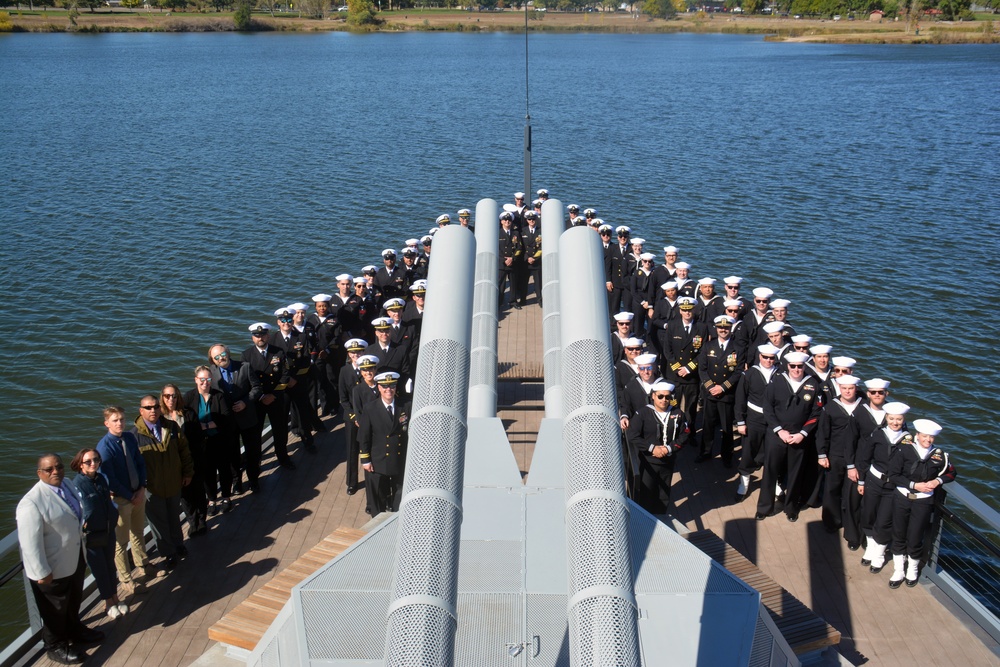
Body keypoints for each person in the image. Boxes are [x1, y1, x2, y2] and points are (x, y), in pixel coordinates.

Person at [17, 453, 103, 665]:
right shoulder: (31, 503)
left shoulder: (67, 484)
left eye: (59, 466)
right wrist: (41, 572)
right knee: (54, 610)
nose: (56, 471)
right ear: (40, 473)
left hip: (74, 558)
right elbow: (29, 543)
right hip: (51, 569)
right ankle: (55, 646)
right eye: (49, 469)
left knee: (73, 601)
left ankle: (75, 631)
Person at [886, 418, 956, 588]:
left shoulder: (940, 457)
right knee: (899, 533)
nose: (927, 440)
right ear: (917, 435)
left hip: (923, 502)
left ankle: (912, 569)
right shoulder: (904, 450)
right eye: (924, 436)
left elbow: (952, 473)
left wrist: (937, 481)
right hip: (902, 497)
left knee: (916, 536)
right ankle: (898, 570)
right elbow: (893, 475)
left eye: (931, 437)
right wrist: (914, 485)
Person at [755, 351, 822, 523]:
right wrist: (779, 430)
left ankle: (791, 508)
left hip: (799, 438)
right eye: (793, 366)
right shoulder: (777, 381)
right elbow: (767, 408)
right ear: (787, 366)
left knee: (795, 474)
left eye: (800, 366)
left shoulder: (813, 384)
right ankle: (764, 507)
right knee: (770, 472)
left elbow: (816, 413)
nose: (797, 370)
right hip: (777, 435)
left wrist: (803, 434)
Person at [96, 406, 154, 594]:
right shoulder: (104, 448)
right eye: (115, 420)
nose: (120, 423)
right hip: (121, 499)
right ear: (107, 424)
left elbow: (140, 462)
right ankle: (126, 578)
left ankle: (143, 564)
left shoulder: (129, 437)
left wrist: (142, 487)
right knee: (120, 542)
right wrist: (130, 496)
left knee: (137, 532)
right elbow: (109, 479)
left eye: (121, 419)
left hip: (138, 492)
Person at [133, 394, 194, 570]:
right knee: (158, 523)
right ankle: (168, 553)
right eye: (148, 408)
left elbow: (184, 451)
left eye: (156, 407)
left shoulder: (172, 427)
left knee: (174, 516)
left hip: (174, 482)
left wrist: (188, 473)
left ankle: (178, 544)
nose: (153, 411)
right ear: (141, 411)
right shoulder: (134, 436)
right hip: (152, 487)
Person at [70, 448, 127, 619]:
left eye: (96, 460)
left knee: (110, 566)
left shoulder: (101, 478)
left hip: (108, 530)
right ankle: (108, 603)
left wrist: (114, 513)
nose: (93, 463)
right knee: (100, 570)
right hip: (92, 535)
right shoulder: (77, 484)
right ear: (80, 465)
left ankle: (116, 598)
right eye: (88, 461)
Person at [857, 401, 911, 574]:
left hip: (893, 486)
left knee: (884, 521)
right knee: (868, 515)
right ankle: (871, 548)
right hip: (874, 481)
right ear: (886, 418)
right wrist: (861, 481)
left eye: (899, 419)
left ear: (904, 420)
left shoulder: (908, 441)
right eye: (892, 418)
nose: (895, 422)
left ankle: (879, 556)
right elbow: (865, 458)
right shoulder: (878, 435)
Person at [626, 381, 690, 515]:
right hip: (648, 462)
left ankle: (661, 518)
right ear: (653, 396)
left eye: (667, 397)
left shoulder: (678, 414)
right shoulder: (643, 413)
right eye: (660, 396)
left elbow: (685, 434)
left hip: (668, 462)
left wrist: (669, 449)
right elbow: (632, 435)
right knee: (646, 494)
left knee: (663, 494)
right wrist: (651, 448)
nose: (664, 400)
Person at [816, 375, 864, 549]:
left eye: (851, 388)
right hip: (835, 455)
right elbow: (823, 432)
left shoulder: (863, 407)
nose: (848, 391)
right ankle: (831, 522)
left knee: (852, 495)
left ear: (856, 388)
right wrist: (822, 454)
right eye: (844, 388)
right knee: (832, 490)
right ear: (839, 388)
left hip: (856, 458)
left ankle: (852, 533)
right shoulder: (831, 407)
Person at [208, 343, 262, 493]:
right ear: (213, 360)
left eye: (223, 355)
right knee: (232, 455)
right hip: (228, 422)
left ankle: (253, 479)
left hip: (247, 418)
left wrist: (245, 402)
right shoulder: (211, 374)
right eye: (216, 357)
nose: (221, 358)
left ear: (228, 353)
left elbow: (257, 388)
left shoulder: (244, 367)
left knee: (253, 452)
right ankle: (236, 481)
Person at [243, 322, 296, 470]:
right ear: (252, 338)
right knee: (256, 432)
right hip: (257, 401)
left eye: (263, 335)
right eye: (257, 335)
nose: (260, 338)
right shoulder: (246, 355)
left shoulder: (278, 352)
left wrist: (273, 394)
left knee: (280, 430)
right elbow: (246, 380)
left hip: (276, 398)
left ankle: (283, 457)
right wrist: (260, 397)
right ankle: (256, 461)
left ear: (268, 336)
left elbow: (285, 375)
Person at [184, 366, 235, 516]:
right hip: (200, 443)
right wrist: (212, 423)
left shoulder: (219, 396)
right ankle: (212, 499)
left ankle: (226, 497)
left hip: (219, 440)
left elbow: (226, 416)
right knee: (207, 472)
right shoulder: (189, 397)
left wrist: (205, 425)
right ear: (196, 380)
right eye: (202, 380)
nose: (205, 383)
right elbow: (188, 419)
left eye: (208, 379)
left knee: (224, 469)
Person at [358, 371, 411, 513]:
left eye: (392, 386)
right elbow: (364, 436)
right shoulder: (370, 408)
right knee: (378, 496)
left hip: (399, 458)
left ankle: (396, 518)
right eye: (385, 386)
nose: (389, 389)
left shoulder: (405, 406)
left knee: (399, 494)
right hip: (378, 460)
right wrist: (366, 460)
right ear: (379, 388)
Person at [696, 315, 745, 466]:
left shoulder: (738, 348)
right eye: (720, 327)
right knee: (708, 425)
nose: (723, 330)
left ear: (730, 329)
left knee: (726, 428)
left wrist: (722, 387)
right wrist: (711, 387)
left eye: (726, 328)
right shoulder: (708, 346)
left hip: (726, 394)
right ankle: (705, 452)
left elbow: (738, 372)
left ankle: (727, 455)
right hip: (711, 393)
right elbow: (702, 369)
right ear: (716, 329)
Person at [161, 384, 209, 537]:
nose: (171, 399)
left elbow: (198, 436)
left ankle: (202, 521)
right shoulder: (161, 419)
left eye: (174, 396)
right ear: (162, 397)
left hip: (194, 459)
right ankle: (192, 521)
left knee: (199, 491)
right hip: (175, 464)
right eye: (167, 396)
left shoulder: (188, 413)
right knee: (185, 496)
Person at [734, 343, 780, 500]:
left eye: (771, 358)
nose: (768, 360)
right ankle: (744, 482)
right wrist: (740, 421)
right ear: (760, 356)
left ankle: (774, 483)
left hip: (773, 421)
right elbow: (740, 398)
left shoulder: (780, 374)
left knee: (772, 452)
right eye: (765, 357)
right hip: (754, 418)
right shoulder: (750, 374)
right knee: (749, 451)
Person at [498, 211, 524, 310]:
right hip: (502, 262)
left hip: (513, 262)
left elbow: (519, 247)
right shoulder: (497, 233)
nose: (507, 222)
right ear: (501, 222)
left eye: (509, 220)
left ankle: (513, 301)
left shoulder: (516, 233)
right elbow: (496, 249)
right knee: (501, 284)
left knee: (513, 283)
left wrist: (512, 258)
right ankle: (499, 301)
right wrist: (503, 259)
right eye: (505, 220)